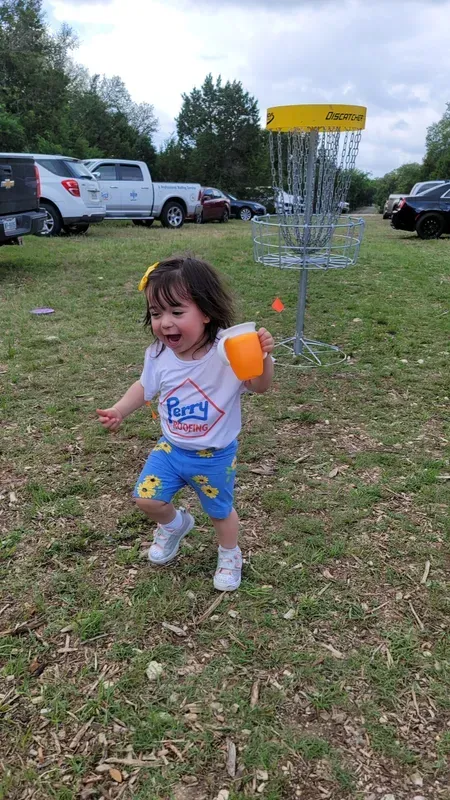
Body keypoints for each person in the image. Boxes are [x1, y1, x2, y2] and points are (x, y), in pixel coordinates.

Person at [96, 255, 274, 591]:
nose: (165, 323)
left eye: (177, 312)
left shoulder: (229, 349)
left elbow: (259, 386)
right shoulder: (158, 354)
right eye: (156, 313)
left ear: (206, 312)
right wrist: (119, 410)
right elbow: (144, 387)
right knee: (146, 499)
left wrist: (262, 358)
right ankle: (176, 525)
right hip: (171, 448)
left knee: (220, 512)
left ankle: (230, 553)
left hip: (214, 456)